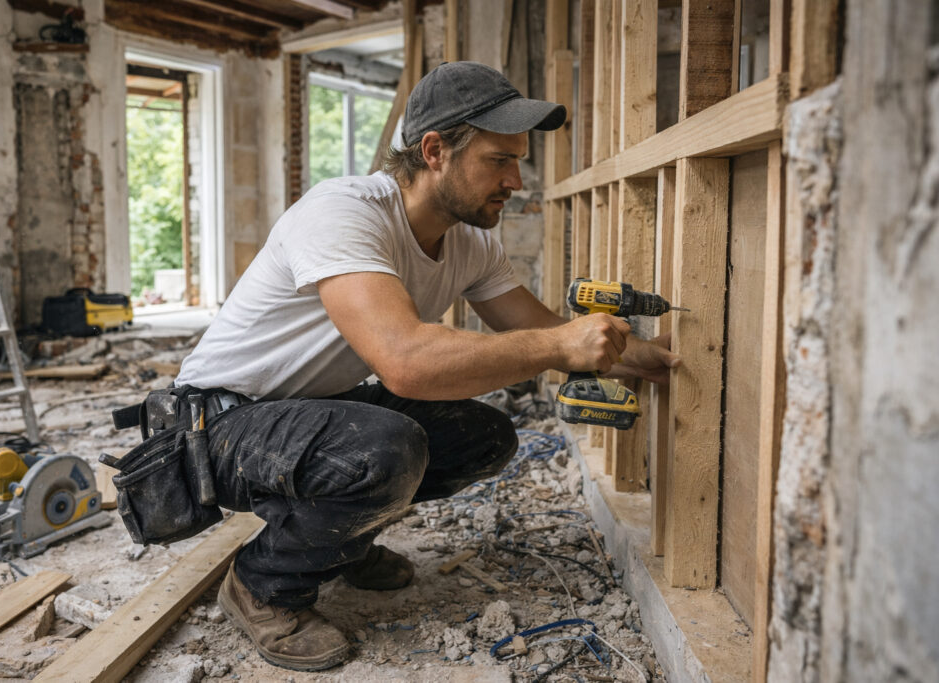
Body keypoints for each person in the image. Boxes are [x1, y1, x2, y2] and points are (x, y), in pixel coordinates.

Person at [172, 61, 680, 672]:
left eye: (518, 161)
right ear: (434, 150)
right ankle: (261, 585)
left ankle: (334, 542)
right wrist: (560, 348)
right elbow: (407, 364)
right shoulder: (343, 212)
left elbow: (540, 329)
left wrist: (646, 357)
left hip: (309, 413)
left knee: (482, 437)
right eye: (499, 160)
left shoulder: (470, 243)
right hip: (215, 425)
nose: (517, 180)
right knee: (385, 450)